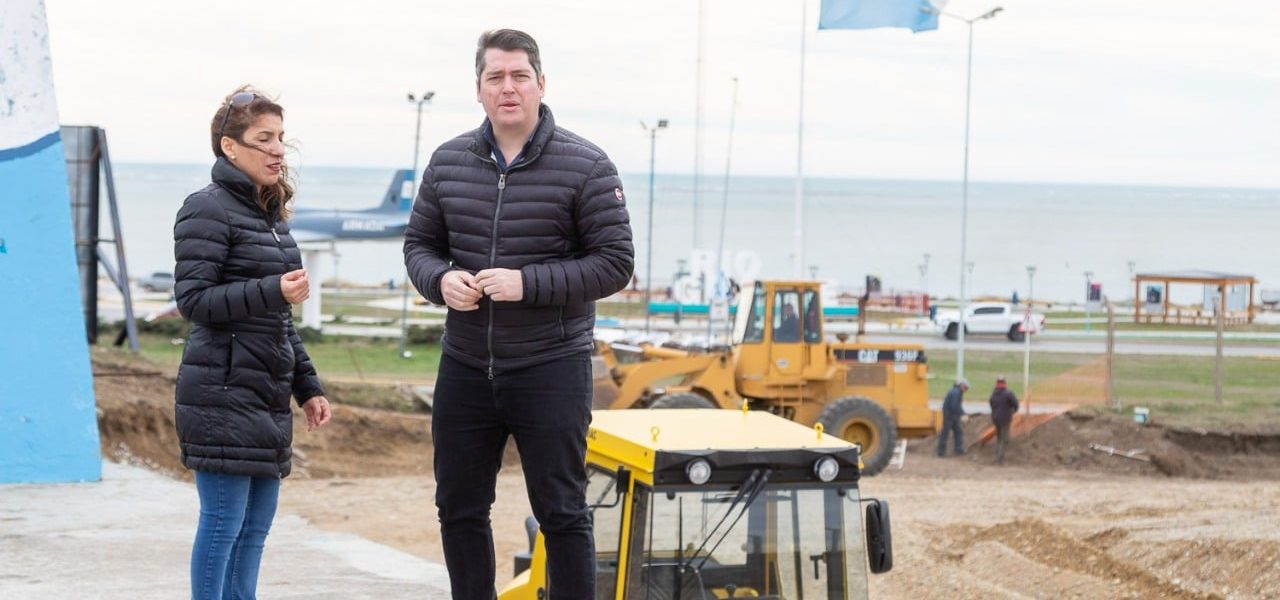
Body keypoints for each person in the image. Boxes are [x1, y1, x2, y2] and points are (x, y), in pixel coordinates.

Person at [403, 29, 633, 599]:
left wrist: (525, 284)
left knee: (562, 512)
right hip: (464, 366)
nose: (508, 87)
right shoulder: (448, 161)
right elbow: (419, 247)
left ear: (540, 84)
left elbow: (614, 264)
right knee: (458, 509)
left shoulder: (587, 165)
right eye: (495, 77)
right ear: (479, 89)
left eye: (519, 76)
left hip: (551, 366)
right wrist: (440, 281)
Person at [173, 86, 332, 600]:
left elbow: (277, 320)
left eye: (281, 137)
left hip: (266, 398)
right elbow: (193, 301)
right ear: (230, 146)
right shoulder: (206, 208)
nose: (278, 150)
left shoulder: (272, 218)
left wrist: (308, 387)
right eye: (264, 138)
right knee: (223, 524)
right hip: (220, 395)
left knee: (255, 531)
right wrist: (272, 289)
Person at [989, 376, 1020, 465]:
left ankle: (996, 457)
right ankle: (999, 460)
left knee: (999, 438)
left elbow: (991, 403)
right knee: (1005, 439)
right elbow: (1016, 404)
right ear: (1005, 383)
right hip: (1005, 419)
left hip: (995, 419)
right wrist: (1013, 411)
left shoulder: (993, 393)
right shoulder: (1008, 393)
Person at [937, 378, 969, 457]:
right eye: (965, 388)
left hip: (952, 415)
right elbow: (955, 406)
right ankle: (941, 452)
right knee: (945, 433)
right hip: (949, 415)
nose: (966, 390)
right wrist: (963, 414)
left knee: (958, 432)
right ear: (961, 385)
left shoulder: (956, 391)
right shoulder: (956, 393)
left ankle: (958, 449)